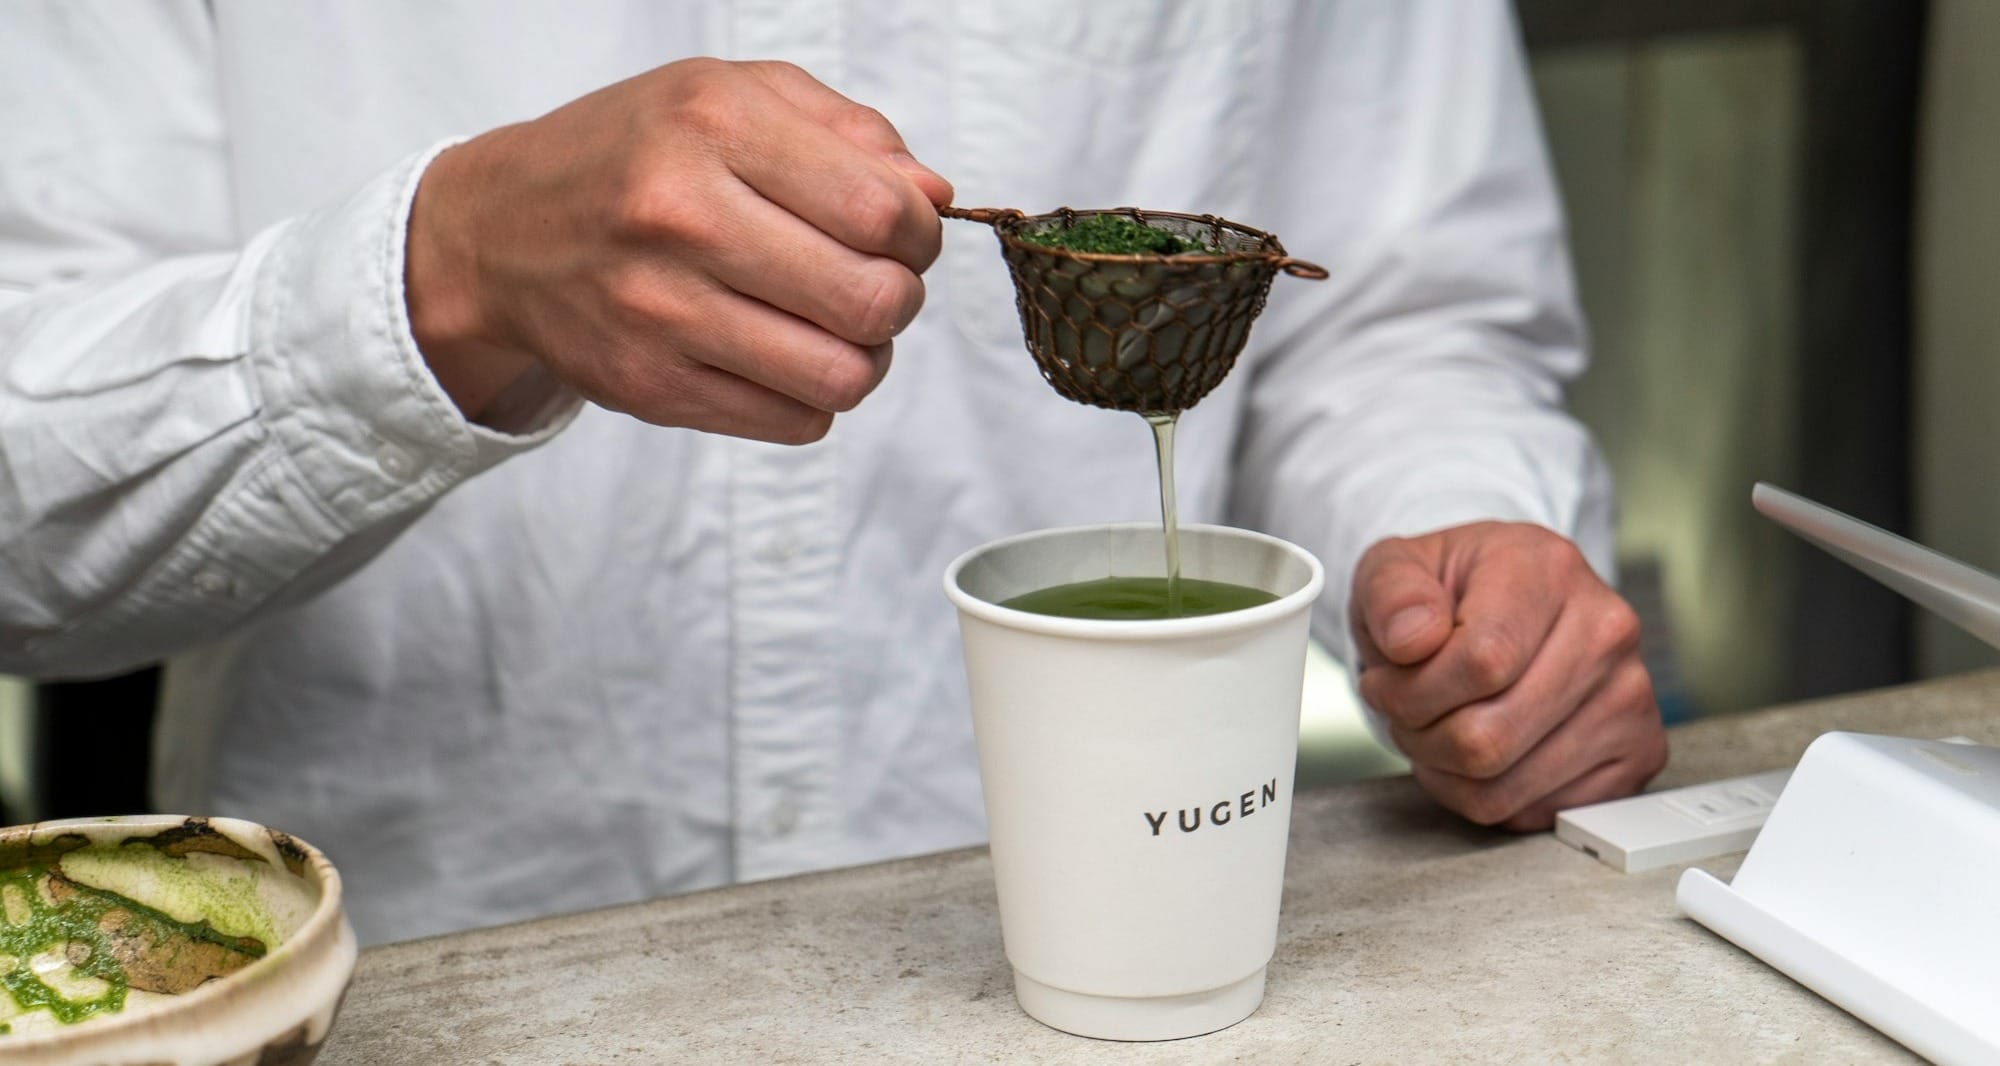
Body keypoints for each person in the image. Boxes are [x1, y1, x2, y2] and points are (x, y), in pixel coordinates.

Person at [0, 2, 1665, 944]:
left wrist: (1467, 543)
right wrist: (447, 276)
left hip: (1119, 947)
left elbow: (1396, 311)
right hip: (409, 980)